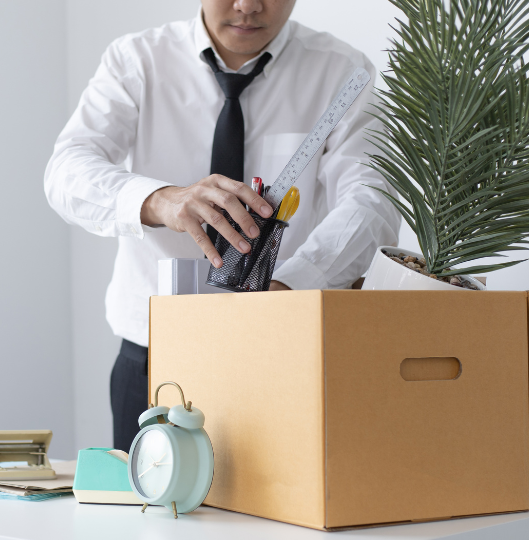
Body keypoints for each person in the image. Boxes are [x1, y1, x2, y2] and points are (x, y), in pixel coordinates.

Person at [44, 0, 400, 451]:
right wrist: (160, 200)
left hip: (283, 347)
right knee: (148, 495)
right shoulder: (136, 60)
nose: (248, 5)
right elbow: (67, 172)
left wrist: (294, 284)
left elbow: (374, 199)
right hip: (153, 355)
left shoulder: (342, 73)